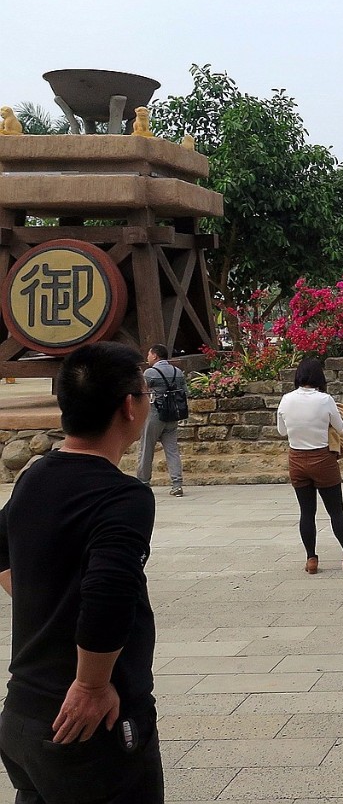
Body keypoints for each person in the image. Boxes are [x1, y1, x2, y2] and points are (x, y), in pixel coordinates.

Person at [0, 341, 164, 802]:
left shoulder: (34, 475)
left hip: (24, 716)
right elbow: (109, 590)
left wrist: (44, 599)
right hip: (89, 726)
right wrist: (92, 684)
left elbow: (0, 547)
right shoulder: (122, 497)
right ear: (129, 407)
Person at [275, 358, 343, 574]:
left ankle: (311, 559)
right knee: (336, 510)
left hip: (297, 459)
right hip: (323, 459)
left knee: (307, 512)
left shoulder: (285, 400)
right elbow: (340, 426)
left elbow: (282, 431)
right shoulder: (325, 400)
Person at [136, 344, 186, 497]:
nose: (147, 357)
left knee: (146, 449)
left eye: (149, 355)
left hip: (155, 414)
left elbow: (140, 391)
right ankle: (177, 484)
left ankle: (143, 483)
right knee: (172, 450)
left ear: (155, 356)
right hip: (173, 415)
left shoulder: (150, 372)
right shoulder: (177, 372)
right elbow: (185, 392)